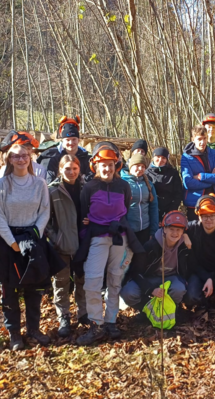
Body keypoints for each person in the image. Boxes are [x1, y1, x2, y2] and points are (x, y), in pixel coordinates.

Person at [76, 142, 145, 346]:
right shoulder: (89, 188)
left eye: (110, 164)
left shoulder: (123, 186)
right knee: (93, 282)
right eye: (103, 165)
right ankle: (96, 323)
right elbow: (83, 215)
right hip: (97, 238)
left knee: (115, 281)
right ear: (96, 166)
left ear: (117, 165)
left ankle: (111, 321)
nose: (107, 168)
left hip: (119, 238)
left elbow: (124, 208)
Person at [0, 143, 60, 350]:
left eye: (24, 156)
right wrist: (12, 242)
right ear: (10, 160)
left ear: (30, 158)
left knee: (34, 288)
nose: (21, 160)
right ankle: (14, 333)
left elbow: (45, 211)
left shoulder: (39, 184)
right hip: (8, 241)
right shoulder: (2, 184)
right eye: (16, 157)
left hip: (33, 238)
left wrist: (36, 233)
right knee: (10, 290)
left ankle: (34, 329)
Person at [47, 155, 87, 338]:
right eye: (67, 169)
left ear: (79, 170)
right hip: (61, 245)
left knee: (82, 280)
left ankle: (83, 313)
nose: (71, 173)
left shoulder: (86, 188)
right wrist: (56, 239)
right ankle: (63, 316)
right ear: (60, 170)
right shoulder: (52, 191)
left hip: (82, 242)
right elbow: (45, 221)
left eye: (74, 169)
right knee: (61, 282)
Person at [121, 211, 191, 313]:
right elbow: (135, 272)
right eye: (171, 229)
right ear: (164, 229)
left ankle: (169, 310)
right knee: (128, 293)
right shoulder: (151, 246)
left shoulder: (185, 246)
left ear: (183, 232)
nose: (175, 233)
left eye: (178, 230)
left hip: (172, 278)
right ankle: (148, 310)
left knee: (179, 289)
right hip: (150, 278)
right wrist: (151, 289)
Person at [181, 125, 215, 220]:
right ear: (193, 139)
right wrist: (213, 178)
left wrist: (201, 176)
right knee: (195, 233)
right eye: (199, 139)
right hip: (195, 203)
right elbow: (188, 182)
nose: (202, 142)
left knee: (212, 232)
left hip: (213, 201)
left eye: (205, 138)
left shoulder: (214, 154)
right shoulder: (186, 157)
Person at [38, 115, 92, 183]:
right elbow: (49, 182)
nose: (71, 142)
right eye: (67, 140)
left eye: (74, 139)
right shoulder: (52, 157)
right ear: (62, 140)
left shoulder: (86, 158)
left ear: (79, 140)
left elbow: (91, 180)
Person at [120, 153, 159, 244]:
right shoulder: (122, 183)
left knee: (143, 256)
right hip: (128, 230)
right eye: (137, 166)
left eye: (143, 166)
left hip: (145, 229)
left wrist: (153, 231)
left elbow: (154, 207)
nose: (140, 169)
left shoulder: (148, 184)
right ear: (131, 166)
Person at [147, 147, 183, 220]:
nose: (160, 160)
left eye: (163, 158)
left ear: (167, 159)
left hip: (169, 211)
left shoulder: (173, 173)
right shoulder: (146, 174)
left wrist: (170, 212)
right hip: (150, 212)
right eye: (158, 157)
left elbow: (178, 194)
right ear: (153, 157)